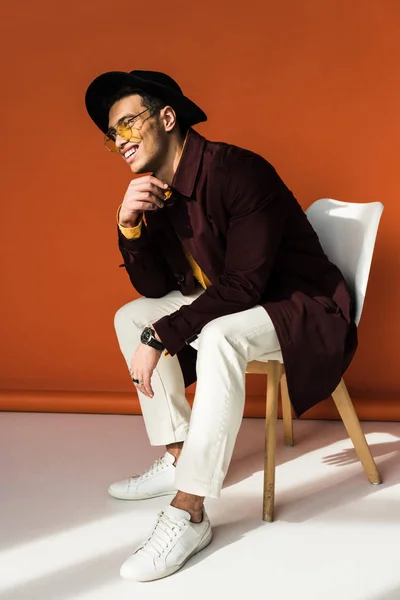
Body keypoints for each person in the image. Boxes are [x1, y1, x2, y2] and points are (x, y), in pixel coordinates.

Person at [85, 70, 357, 582]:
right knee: (131, 316)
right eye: (112, 133)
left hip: (300, 310)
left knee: (216, 334)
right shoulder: (159, 192)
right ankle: (177, 455)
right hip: (240, 307)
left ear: (167, 118)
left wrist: (161, 335)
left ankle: (189, 510)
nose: (119, 140)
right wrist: (129, 224)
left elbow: (246, 286)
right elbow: (153, 289)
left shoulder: (238, 171)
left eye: (127, 123)